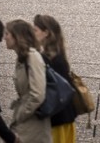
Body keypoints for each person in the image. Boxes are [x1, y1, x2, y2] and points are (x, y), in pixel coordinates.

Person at [33, 14, 77, 143]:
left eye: (35, 30)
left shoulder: (48, 59)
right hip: (64, 119)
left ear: (46, 33)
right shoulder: (57, 55)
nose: (33, 33)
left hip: (56, 121)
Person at [5, 19, 51, 143]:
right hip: (27, 122)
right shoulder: (22, 57)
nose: (5, 38)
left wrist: (21, 114)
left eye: (7, 34)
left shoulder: (32, 57)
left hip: (33, 124)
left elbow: (38, 94)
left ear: (17, 36)